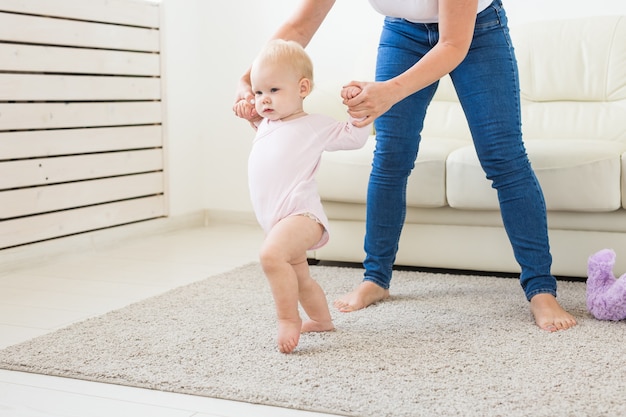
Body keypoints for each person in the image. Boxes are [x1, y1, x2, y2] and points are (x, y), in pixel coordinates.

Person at [234, 0, 577, 332]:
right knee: (391, 157)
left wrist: (390, 92)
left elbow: (453, 44)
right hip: (402, 33)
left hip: (477, 32)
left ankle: (541, 289)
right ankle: (375, 278)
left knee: (504, 157)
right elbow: (299, 24)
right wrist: (250, 81)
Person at [238, 39, 371, 353]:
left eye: (273, 90)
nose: (264, 99)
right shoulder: (268, 125)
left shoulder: (314, 125)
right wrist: (250, 117)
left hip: (302, 216)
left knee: (271, 257)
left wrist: (358, 110)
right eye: (258, 92)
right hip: (277, 219)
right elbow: (272, 149)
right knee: (300, 277)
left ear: (302, 88)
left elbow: (354, 138)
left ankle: (288, 318)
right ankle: (322, 319)